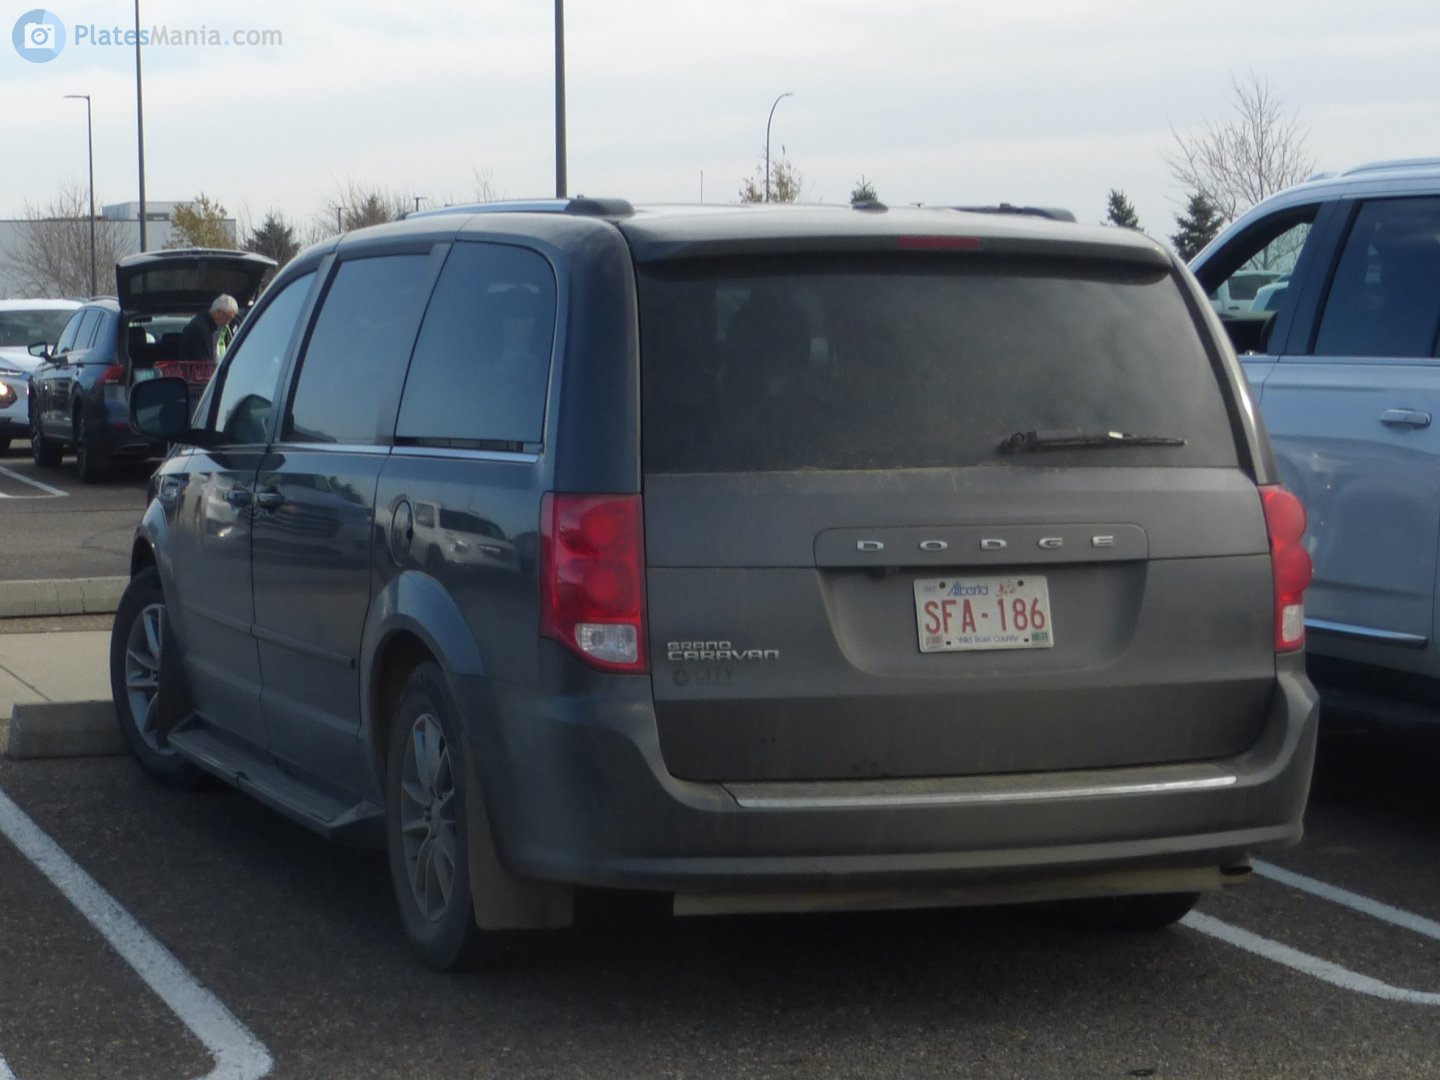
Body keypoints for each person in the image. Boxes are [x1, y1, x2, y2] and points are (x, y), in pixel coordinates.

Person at [180, 294, 238, 362]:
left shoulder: (207, 326)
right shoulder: (201, 330)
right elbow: (205, 363)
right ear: (218, 312)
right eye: (228, 318)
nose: (228, 322)